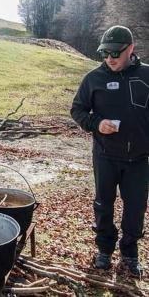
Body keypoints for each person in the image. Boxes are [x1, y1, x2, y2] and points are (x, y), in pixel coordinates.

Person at [70, 25, 149, 277]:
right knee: (103, 205)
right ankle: (104, 249)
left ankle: (129, 251)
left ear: (131, 50)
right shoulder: (94, 78)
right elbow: (78, 110)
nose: (110, 58)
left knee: (136, 207)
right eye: (105, 53)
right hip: (105, 156)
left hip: (138, 159)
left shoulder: (147, 76)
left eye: (116, 53)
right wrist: (96, 124)